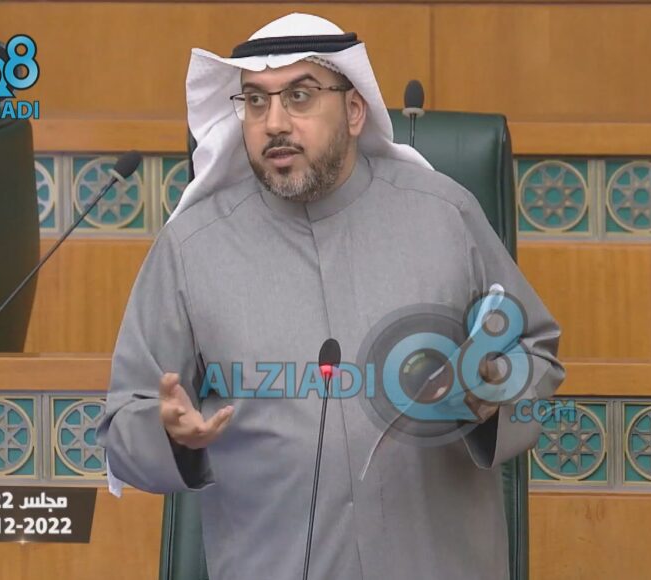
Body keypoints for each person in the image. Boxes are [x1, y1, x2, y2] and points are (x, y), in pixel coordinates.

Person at [97, 12, 564, 580]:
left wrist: (493, 390)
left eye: (299, 96)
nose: (274, 123)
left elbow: (535, 351)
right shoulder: (191, 248)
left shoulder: (444, 214)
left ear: (354, 110)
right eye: (255, 101)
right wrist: (166, 433)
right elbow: (124, 423)